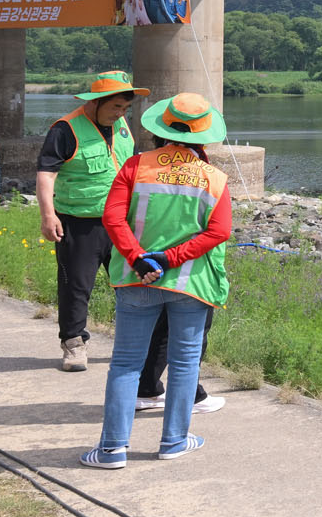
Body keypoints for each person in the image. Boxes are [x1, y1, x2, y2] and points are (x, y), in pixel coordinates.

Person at [83, 92, 233, 469]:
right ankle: (174, 442)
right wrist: (170, 258)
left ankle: (112, 450)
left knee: (126, 364)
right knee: (185, 364)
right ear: (203, 135)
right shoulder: (214, 178)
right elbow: (219, 232)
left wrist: (139, 259)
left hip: (137, 280)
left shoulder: (135, 166)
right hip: (190, 284)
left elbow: (112, 218)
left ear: (161, 128)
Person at [35, 71, 147, 371]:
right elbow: (46, 174)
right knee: (76, 286)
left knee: (132, 284)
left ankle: (134, 343)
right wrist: (48, 215)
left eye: (126, 108)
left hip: (121, 222)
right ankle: (73, 344)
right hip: (79, 222)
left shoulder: (122, 126)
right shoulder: (65, 129)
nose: (121, 114)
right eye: (116, 107)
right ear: (96, 102)